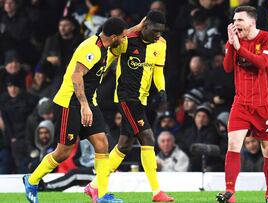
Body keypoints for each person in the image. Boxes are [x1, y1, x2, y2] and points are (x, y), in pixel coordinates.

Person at [23, 17, 143, 203]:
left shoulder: (107, 43)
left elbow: (125, 33)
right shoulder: (91, 49)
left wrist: (141, 26)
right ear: (113, 36)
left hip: (88, 102)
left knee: (102, 144)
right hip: (71, 103)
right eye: (121, 35)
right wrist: (84, 106)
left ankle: (101, 195)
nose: (124, 38)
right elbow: (76, 76)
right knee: (63, 151)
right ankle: (31, 180)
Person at [85, 10, 174, 202]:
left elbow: (158, 71)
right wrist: (94, 77)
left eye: (162, 31)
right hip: (126, 97)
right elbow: (108, 55)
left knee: (124, 145)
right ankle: (156, 192)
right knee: (148, 137)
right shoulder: (128, 40)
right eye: (155, 30)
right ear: (145, 26)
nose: (158, 35)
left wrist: (161, 89)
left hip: (141, 99)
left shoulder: (161, 44)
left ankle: (93, 185)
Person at [216, 6, 268, 203]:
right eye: (234, 20)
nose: (236, 24)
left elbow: (262, 63)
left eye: (240, 20)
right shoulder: (235, 40)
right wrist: (230, 45)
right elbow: (228, 67)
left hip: (266, 103)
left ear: (252, 22)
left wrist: (238, 48)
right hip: (242, 103)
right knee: (233, 144)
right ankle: (230, 193)